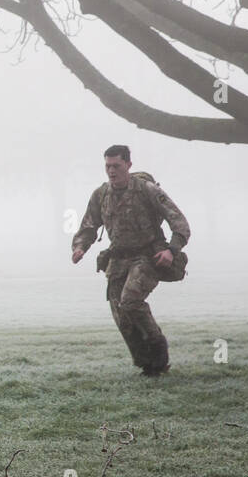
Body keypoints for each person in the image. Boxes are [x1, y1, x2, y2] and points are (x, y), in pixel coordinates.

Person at [71, 144, 191, 377]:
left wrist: (171, 250)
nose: (111, 171)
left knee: (130, 301)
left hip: (147, 256)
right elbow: (88, 225)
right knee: (120, 314)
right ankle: (147, 365)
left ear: (128, 164)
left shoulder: (147, 190)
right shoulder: (101, 194)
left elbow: (180, 223)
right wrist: (80, 247)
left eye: (116, 166)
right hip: (117, 259)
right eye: (108, 166)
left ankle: (158, 350)